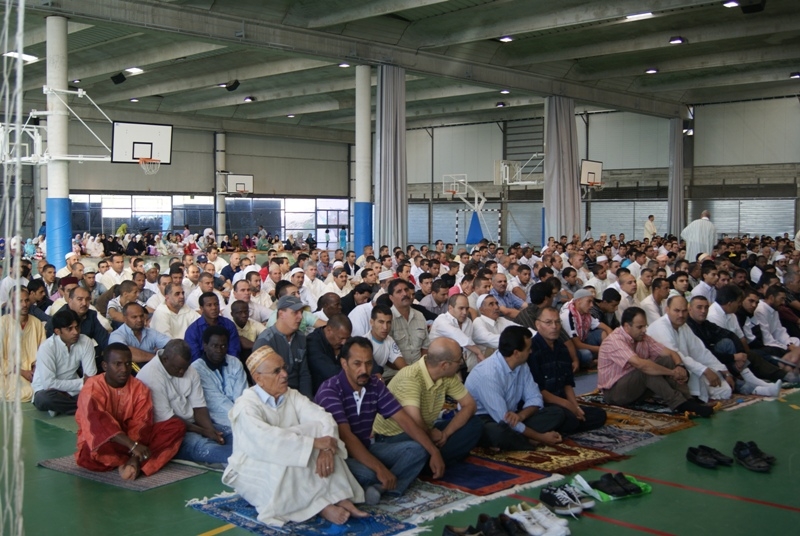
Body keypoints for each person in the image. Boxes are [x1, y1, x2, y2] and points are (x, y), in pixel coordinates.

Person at [223, 346, 367, 526]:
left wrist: (327, 448)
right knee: (290, 454)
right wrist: (314, 442)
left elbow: (324, 418)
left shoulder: (291, 395)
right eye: (276, 371)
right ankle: (320, 506)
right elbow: (267, 442)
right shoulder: (246, 406)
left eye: (283, 368)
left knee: (309, 437)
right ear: (258, 378)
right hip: (252, 465)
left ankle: (338, 497)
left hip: (289, 454)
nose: (284, 374)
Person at [315, 337, 444, 504]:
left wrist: (434, 452)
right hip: (339, 455)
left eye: (368, 363)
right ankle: (382, 481)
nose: (364, 369)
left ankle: (381, 488)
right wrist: (380, 469)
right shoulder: (330, 390)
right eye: (357, 364)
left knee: (418, 449)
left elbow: (405, 420)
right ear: (344, 364)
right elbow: (346, 437)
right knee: (369, 473)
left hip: (367, 448)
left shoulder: (374, 385)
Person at [75, 344, 186, 480]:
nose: (124, 369)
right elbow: (98, 424)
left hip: (133, 443)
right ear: (105, 366)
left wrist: (135, 452)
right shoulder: (91, 388)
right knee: (92, 448)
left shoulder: (139, 388)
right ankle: (130, 463)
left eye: (128, 364)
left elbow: (141, 426)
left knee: (176, 426)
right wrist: (132, 446)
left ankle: (133, 462)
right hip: (107, 442)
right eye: (118, 364)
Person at [372, 338, 482, 467]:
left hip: (426, 428)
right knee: (418, 448)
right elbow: (415, 423)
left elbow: (469, 405)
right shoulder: (410, 377)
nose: (461, 363)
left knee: (475, 424)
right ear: (444, 365)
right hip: (393, 437)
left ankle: (430, 462)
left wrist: (445, 434)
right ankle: (433, 460)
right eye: (459, 360)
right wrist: (431, 436)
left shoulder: (447, 376)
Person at [598, 307, 712, 416]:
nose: (644, 330)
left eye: (645, 326)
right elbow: (641, 365)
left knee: (667, 360)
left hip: (635, 388)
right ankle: (679, 403)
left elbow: (671, 353)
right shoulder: (614, 341)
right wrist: (672, 372)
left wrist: (679, 366)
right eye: (640, 327)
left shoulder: (643, 338)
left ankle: (688, 399)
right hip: (615, 393)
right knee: (645, 370)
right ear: (627, 327)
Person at [466, 326, 565, 450]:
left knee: (558, 413)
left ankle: (518, 439)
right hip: (485, 419)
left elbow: (535, 398)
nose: (531, 352)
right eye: (528, 349)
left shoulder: (521, 365)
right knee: (499, 433)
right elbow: (504, 419)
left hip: (513, 415)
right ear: (516, 353)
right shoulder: (488, 374)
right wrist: (541, 437)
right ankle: (527, 440)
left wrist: (521, 416)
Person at [137, 340, 233, 466]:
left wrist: (210, 430)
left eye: (185, 368)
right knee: (202, 446)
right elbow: (169, 420)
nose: (182, 372)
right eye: (178, 368)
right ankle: (246, 460)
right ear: (165, 359)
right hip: (170, 432)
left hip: (194, 425)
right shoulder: (151, 376)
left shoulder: (189, 370)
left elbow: (199, 406)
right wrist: (204, 432)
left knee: (230, 432)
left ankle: (252, 455)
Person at [529, 307, 606, 434]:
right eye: (548, 322)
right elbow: (538, 391)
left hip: (561, 401)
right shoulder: (532, 350)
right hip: (543, 405)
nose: (554, 326)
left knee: (599, 415)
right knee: (564, 417)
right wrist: (567, 405)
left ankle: (561, 425)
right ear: (538, 324)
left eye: (557, 322)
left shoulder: (562, 348)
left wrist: (575, 406)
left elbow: (567, 383)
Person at [685, 296, 782, 396]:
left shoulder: (706, 323)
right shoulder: (688, 326)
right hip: (700, 363)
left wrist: (740, 355)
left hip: (715, 359)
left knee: (728, 343)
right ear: (690, 308)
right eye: (699, 307)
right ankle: (755, 386)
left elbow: (731, 334)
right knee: (725, 378)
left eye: (706, 307)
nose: (703, 311)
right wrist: (734, 357)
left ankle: (751, 379)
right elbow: (705, 353)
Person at [646, 295, 733, 402]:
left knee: (724, 387)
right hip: (667, 372)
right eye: (677, 311)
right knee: (699, 378)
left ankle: (701, 393)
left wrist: (724, 371)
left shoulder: (683, 326)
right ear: (667, 310)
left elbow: (700, 351)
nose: (681, 315)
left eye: (684, 311)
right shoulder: (660, 327)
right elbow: (676, 355)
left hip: (689, 368)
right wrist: (704, 370)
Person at [32, 309, 97, 415]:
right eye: (69, 329)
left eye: (77, 327)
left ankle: (66, 408)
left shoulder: (86, 342)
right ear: (58, 331)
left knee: (97, 392)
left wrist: (84, 384)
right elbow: (49, 383)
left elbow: (91, 378)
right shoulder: (47, 348)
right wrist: (81, 383)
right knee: (44, 399)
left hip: (73, 391)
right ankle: (86, 407)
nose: (75, 332)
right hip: (48, 391)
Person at [253, 295, 313, 398]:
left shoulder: (300, 337)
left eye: (301, 312)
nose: (300, 317)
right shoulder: (265, 341)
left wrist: (307, 400)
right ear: (281, 314)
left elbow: (304, 374)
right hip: (276, 397)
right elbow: (263, 383)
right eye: (295, 313)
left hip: (298, 396)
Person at [190, 325, 248, 429]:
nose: (219, 350)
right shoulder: (196, 369)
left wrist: (245, 417)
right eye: (215, 346)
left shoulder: (234, 362)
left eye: (223, 346)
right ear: (205, 345)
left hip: (242, 417)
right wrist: (242, 421)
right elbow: (216, 403)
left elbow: (242, 396)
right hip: (217, 422)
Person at [0, 287, 46, 402]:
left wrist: (36, 368)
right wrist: (21, 371)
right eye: (19, 301)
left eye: (26, 300)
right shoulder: (2, 323)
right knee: (22, 392)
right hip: (9, 372)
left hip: (33, 373)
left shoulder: (36, 323)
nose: (24, 304)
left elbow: (43, 351)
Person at [108, 302, 172, 370]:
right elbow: (126, 353)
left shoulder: (151, 332)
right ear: (125, 319)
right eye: (134, 317)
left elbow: (171, 345)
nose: (139, 320)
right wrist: (157, 358)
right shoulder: (116, 335)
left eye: (141, 316)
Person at [429, 294, 483, 370]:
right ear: (450, 308)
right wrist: (478, 351)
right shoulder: (441, 320)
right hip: (442, 368)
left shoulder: (468, 321)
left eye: (467, 308)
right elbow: (458, 336)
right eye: (461, 308)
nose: (465, 312)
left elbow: (468, 348)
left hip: (466, 367)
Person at [184, 292, 242, 362]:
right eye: (209, 305)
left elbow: (234, 352)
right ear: (202, 308)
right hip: (202, 368)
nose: (214, 308)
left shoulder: (229, 325)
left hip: (228, 366)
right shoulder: (193, 330)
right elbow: (195, 358)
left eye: (216, 304)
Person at [307, 314, 353, 394]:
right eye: (341, 338)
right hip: (321, 393)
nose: (344, 342)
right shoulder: (312, 342)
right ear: (329, 330)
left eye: (347, 338)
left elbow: (362, 350)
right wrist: (355, 375)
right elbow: (328, 371)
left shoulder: (345, 339)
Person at [387, 279, 429, 365]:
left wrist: (420, 368)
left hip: (419, 369)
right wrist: (408, 371)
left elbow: (425, 347)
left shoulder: (419, 316)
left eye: (406, 290)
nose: (405, 294)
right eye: (399, 291)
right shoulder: (387, 319)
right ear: (391, 298)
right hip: (396, 372)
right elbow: (385, 354)